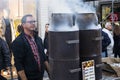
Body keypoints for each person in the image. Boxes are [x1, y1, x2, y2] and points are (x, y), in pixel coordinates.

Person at [11, 14, 50, 80]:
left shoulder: (38, 39)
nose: (33, 23)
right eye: (30, 22)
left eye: (34, 21)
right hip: (28, 77)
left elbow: (44, 58)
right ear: (23, 25)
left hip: (39, 76)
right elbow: (19, 65)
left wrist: (51, 73)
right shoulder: (18, 42)